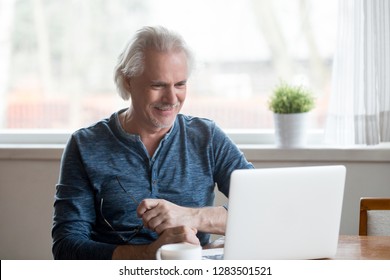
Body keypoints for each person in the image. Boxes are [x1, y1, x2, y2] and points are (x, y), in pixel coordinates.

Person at [52, 26, 253, 260]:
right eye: (158, 85)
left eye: (180, 84)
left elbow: (260, 208)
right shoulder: (85, 145)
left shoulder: (207, 137)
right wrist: (149, 253)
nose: (171, 99)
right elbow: (66, 248)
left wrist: (189, 216)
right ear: (128, 81)